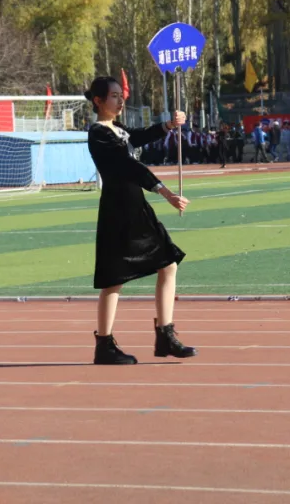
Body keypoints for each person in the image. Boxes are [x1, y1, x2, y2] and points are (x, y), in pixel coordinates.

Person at [85, 76, 196, 365]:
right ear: (98, 101)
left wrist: (169, 124)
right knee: (114, 279)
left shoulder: (118, 129)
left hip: (137, 206)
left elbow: (140, 136)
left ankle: (165, 335)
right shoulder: (98, 133)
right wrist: (165, 191)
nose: (120, 101)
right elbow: (128, 166)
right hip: (117, 209)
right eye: (113, 96)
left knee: (168, 264)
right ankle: (104, 345)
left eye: (120, 95)